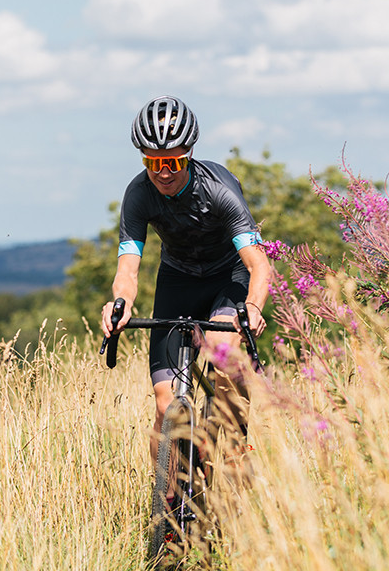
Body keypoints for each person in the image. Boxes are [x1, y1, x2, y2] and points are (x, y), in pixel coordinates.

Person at [100, 95, 270, 463]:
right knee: (165, 407)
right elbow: (128, 270)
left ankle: (235, 454)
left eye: (173, 162)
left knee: (223, 353)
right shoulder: (138, 195)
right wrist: (121, 303)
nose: (163, 172)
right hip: (178, 279)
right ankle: (165, 494)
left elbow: (259, 265)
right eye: (153, 162)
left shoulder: (218, 190)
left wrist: (253, 308)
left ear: (189, 154)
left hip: (228, 277)